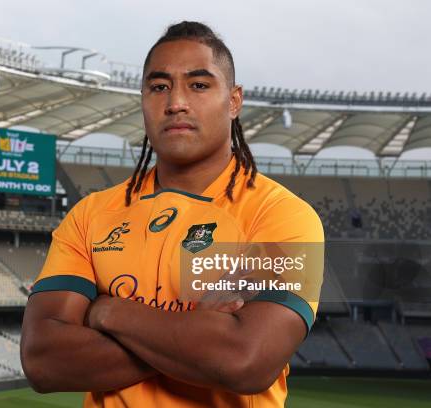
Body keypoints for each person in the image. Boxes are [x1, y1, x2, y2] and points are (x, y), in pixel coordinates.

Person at [21, 21, 324, 408]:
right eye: (159, 86)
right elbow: (43, 360)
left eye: (198, 85)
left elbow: (245, 360)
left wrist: (107, 310)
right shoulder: (90, 215)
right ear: (143, 99)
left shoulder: (282, 216)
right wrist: (196, 334)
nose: (176, 102)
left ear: (233, 101)